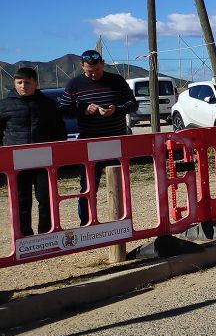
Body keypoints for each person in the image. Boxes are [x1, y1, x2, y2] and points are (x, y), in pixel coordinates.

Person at [58, 50, 138, 225]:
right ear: (82, 66)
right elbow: (63, 110)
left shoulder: (116, 80)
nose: (93, 74)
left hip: (116, 141)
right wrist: (84, 110)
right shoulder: (74, 84)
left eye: (96, 70)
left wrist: (116, 109)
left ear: (103, 63)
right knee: (88, 187)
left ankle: (121, 222)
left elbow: (133, 104)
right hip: (89, 142)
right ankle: (86, 223)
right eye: (89, 71)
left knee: (120, 185)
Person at [0, 67, 67, 235]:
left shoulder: (48, 104)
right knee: (22, 199)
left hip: (44, 159)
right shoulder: (4, 105)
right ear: (14, 84)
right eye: (19, 82)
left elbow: (59, 130)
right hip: (17, 161)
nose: (23, 86)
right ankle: (24, 234)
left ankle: (47, 233)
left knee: (46, 198)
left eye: (27, 82)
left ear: (36, 83)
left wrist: (57, 152)